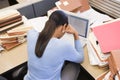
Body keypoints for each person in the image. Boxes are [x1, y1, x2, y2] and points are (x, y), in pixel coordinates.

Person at [24, 10, 84, 80]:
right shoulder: (63, 46)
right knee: (75, 65)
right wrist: (75, 34)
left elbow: (39, 34)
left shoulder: (31, 34)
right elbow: (80, 58)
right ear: (64, 26)